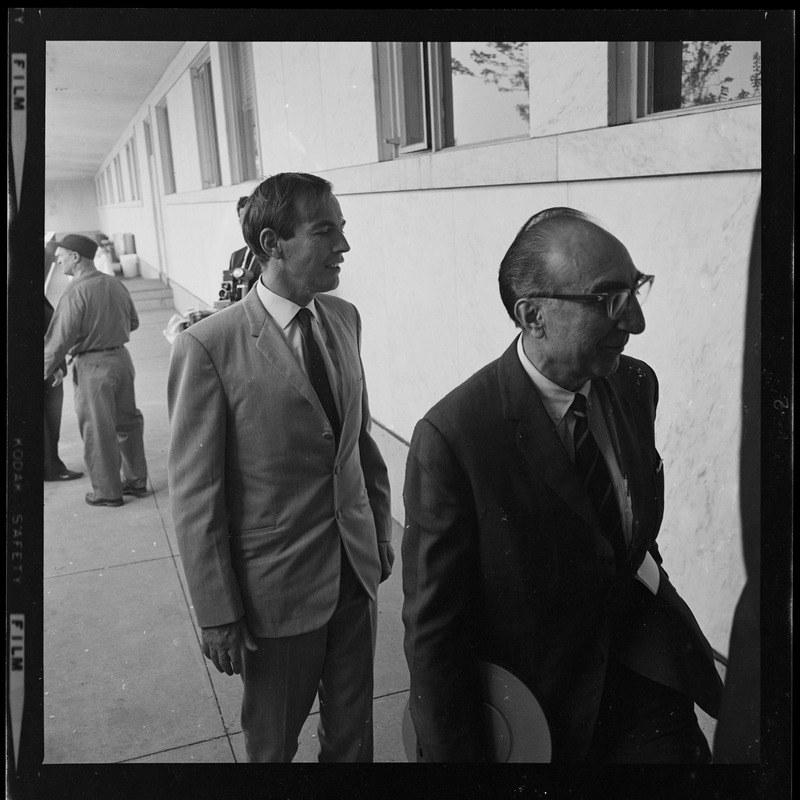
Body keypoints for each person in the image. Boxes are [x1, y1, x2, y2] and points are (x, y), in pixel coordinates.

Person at [402, 207, 723, 763]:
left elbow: (628, 537)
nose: (636, 322)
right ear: (532, 315)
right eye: (609, 300)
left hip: (645, 670)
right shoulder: (454, 437)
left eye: (636, 289)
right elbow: (435, 632)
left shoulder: (633, 383)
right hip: (543, 705)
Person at [167, 172, 393, 763]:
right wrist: (217, 613)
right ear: (272, 243)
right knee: (273, 747)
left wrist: (379, 530)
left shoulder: (344, 318)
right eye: (326, 232)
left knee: (354, 737)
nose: (343, 246)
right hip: (276, 592)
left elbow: (358, 441)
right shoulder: (209, 346)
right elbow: (196, 496)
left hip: (354, 570)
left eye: (343, 230)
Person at [44, 234, 148, 507]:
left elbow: (59, 340)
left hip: (92, 367)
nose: (58, 259)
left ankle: (107, 492)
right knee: (128, 424)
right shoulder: (115, 284)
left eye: (62, 255)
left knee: (98, 430)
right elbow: (133, 322)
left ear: (76, 257)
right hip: (122, 361)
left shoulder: (75, 290)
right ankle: (136, 482)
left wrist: (39, 373)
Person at [44, 295, 83, 482]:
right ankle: (51, 468)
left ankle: (50, 465)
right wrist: (55, 368)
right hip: (45, 370)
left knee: (49, 421)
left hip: (45, 368)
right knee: (48, 421)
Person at [227, 195, 262, 294]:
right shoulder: (235, 257)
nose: (247, 226)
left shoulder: (270, 255)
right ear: (239, 223)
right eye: (244, 221)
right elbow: (229, 292)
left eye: (250, 220)